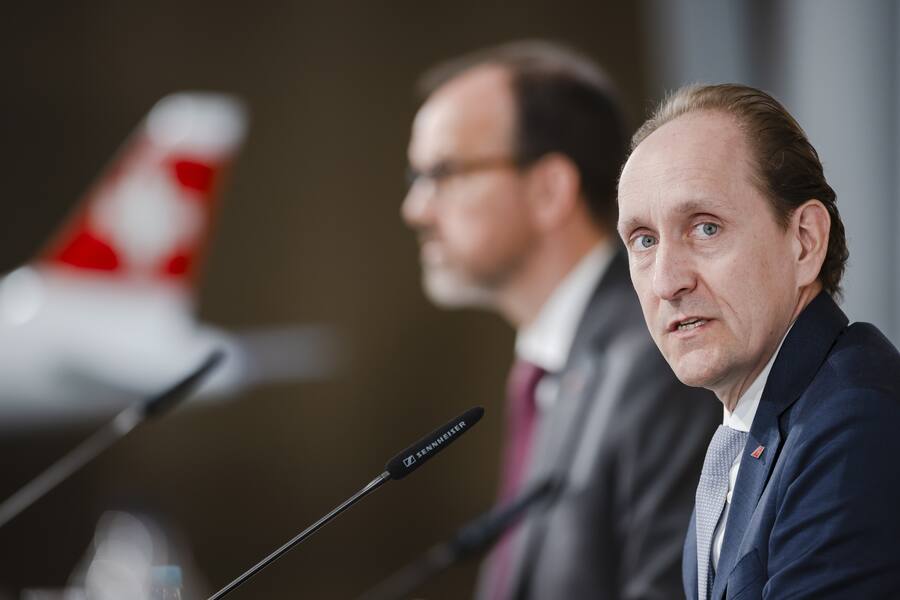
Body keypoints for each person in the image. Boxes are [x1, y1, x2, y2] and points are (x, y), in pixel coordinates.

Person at [401, 40, 719, 600]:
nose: (416, 209)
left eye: (443, 173)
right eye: (416, 178)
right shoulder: (556, 361)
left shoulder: (659, 358)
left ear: (550, 189)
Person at [616, 83, 900, 599]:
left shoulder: (854, 423)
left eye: (705, 228)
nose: (666, 281)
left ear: (805, 241)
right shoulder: (753, 428)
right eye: (645, 240)